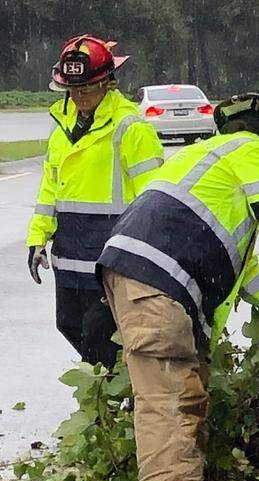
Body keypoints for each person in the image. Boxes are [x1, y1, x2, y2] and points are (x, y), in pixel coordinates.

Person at [98, 94, 259, 481]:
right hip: (157, 276)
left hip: (143, 272)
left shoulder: (206, 161)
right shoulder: (249, 151)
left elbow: (249, 275)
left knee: (188, 381)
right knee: (168, 389)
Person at [26, 35, 164, 367]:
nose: (79, 96)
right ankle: (116, 395)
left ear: (108, 83)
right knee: (70, 325)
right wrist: (37, 238)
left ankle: (116, 401)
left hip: (112, 258)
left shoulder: (131, 128)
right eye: (72, 89)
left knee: (101, 335)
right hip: (70, 256)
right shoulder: (62, 126)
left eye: (87, 88)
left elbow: (155, 197)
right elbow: (51, 188)